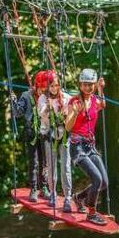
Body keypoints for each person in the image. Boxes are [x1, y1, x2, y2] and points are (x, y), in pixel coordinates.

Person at [65, 68, 108, 225]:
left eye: (91, 85)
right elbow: (67, 127)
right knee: (96, 179)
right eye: (85, 84)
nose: (88, 88)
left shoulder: (95, 100)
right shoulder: (74, 102)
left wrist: (102, 89)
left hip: (90, 146)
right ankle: (92, 213)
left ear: (95, 85)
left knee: (104, 183)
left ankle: (79, 197)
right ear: (80, 85)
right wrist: (75, 113)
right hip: (78, 147)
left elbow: (103, 104)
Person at [11, 71, 50, 202]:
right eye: (42, 89)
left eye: (46, 89)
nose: (43, 91)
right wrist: (14, 102)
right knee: (34, 162)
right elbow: (17, 113)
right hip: (31, 133)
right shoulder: (26, 96)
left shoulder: (48, 97)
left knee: (45, 162)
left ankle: (44, 188)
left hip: (45, 133)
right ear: (36, 85)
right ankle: (33, 189)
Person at [37, 70, 73, 213]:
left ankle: (68, 197)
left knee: (65, 166)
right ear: (47, 87)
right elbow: (41, 115)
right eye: (51, 86)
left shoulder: (65, 97)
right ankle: (53, 193)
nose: (54, 89)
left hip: (64, 136)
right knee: (51, 167)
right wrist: (48, 108)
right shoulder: (42, 99)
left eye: (56, 86)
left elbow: (74, 106)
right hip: (50, 136)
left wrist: (67, 112)